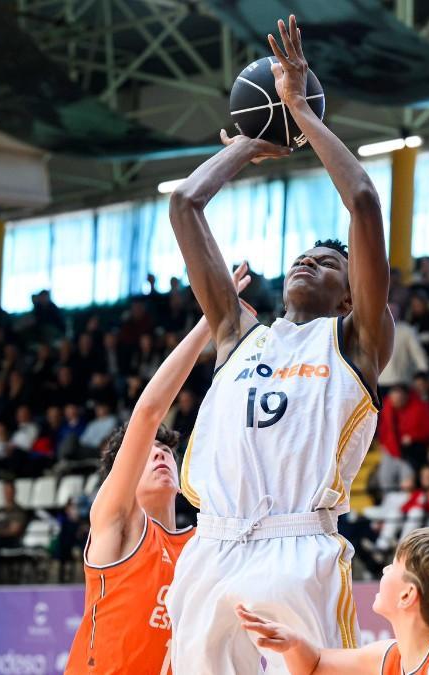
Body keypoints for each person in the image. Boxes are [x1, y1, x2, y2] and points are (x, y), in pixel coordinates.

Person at [166, 16, 393, 672]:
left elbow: (364, 203)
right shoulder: (238, 334)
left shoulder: (357, 342)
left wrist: (297, 112)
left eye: (326, 264)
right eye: (301, 257)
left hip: (297, 551)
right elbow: (185, 203)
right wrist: (250, 141)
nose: (306, 264)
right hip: (211, 546)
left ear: (349, 293)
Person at [65, 269, 249, 675]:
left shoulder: (201, 543)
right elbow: (148, 413)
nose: (162, 456)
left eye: (167, 451)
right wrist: (210, 323)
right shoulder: (117, 523)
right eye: (149, 454)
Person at [236, 528, 429, 675]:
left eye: (394, 566)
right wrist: (293, 642)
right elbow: (315, 667)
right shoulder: (392, 655)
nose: (384, 570)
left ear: (406, 596)